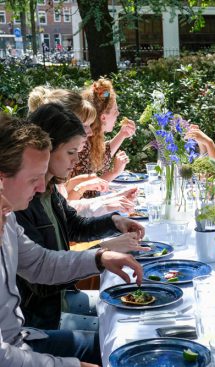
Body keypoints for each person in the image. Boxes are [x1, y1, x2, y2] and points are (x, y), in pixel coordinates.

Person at [0, 114, 143, 366]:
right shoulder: (18, 212)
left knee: (129, 343)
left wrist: (100, 258)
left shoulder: (9, 216)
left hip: (24, 338)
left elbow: (39, 263)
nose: (41, 188)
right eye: (34, 179)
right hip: (29, 337)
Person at [27, 86, 137, 217]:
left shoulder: (50, 169)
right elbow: (66, 217)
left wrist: (110, 201)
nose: (90, 132)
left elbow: (65, 210)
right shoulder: (34, 179)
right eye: (84, 126)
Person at [73, 78, 136, 197]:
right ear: (103, 118)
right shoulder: (83, 142)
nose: (118, 114)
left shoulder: (93, 137)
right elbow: (87, 191)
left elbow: (103, 155)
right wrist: (114, 172)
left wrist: (122, 134)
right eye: (115, 111)